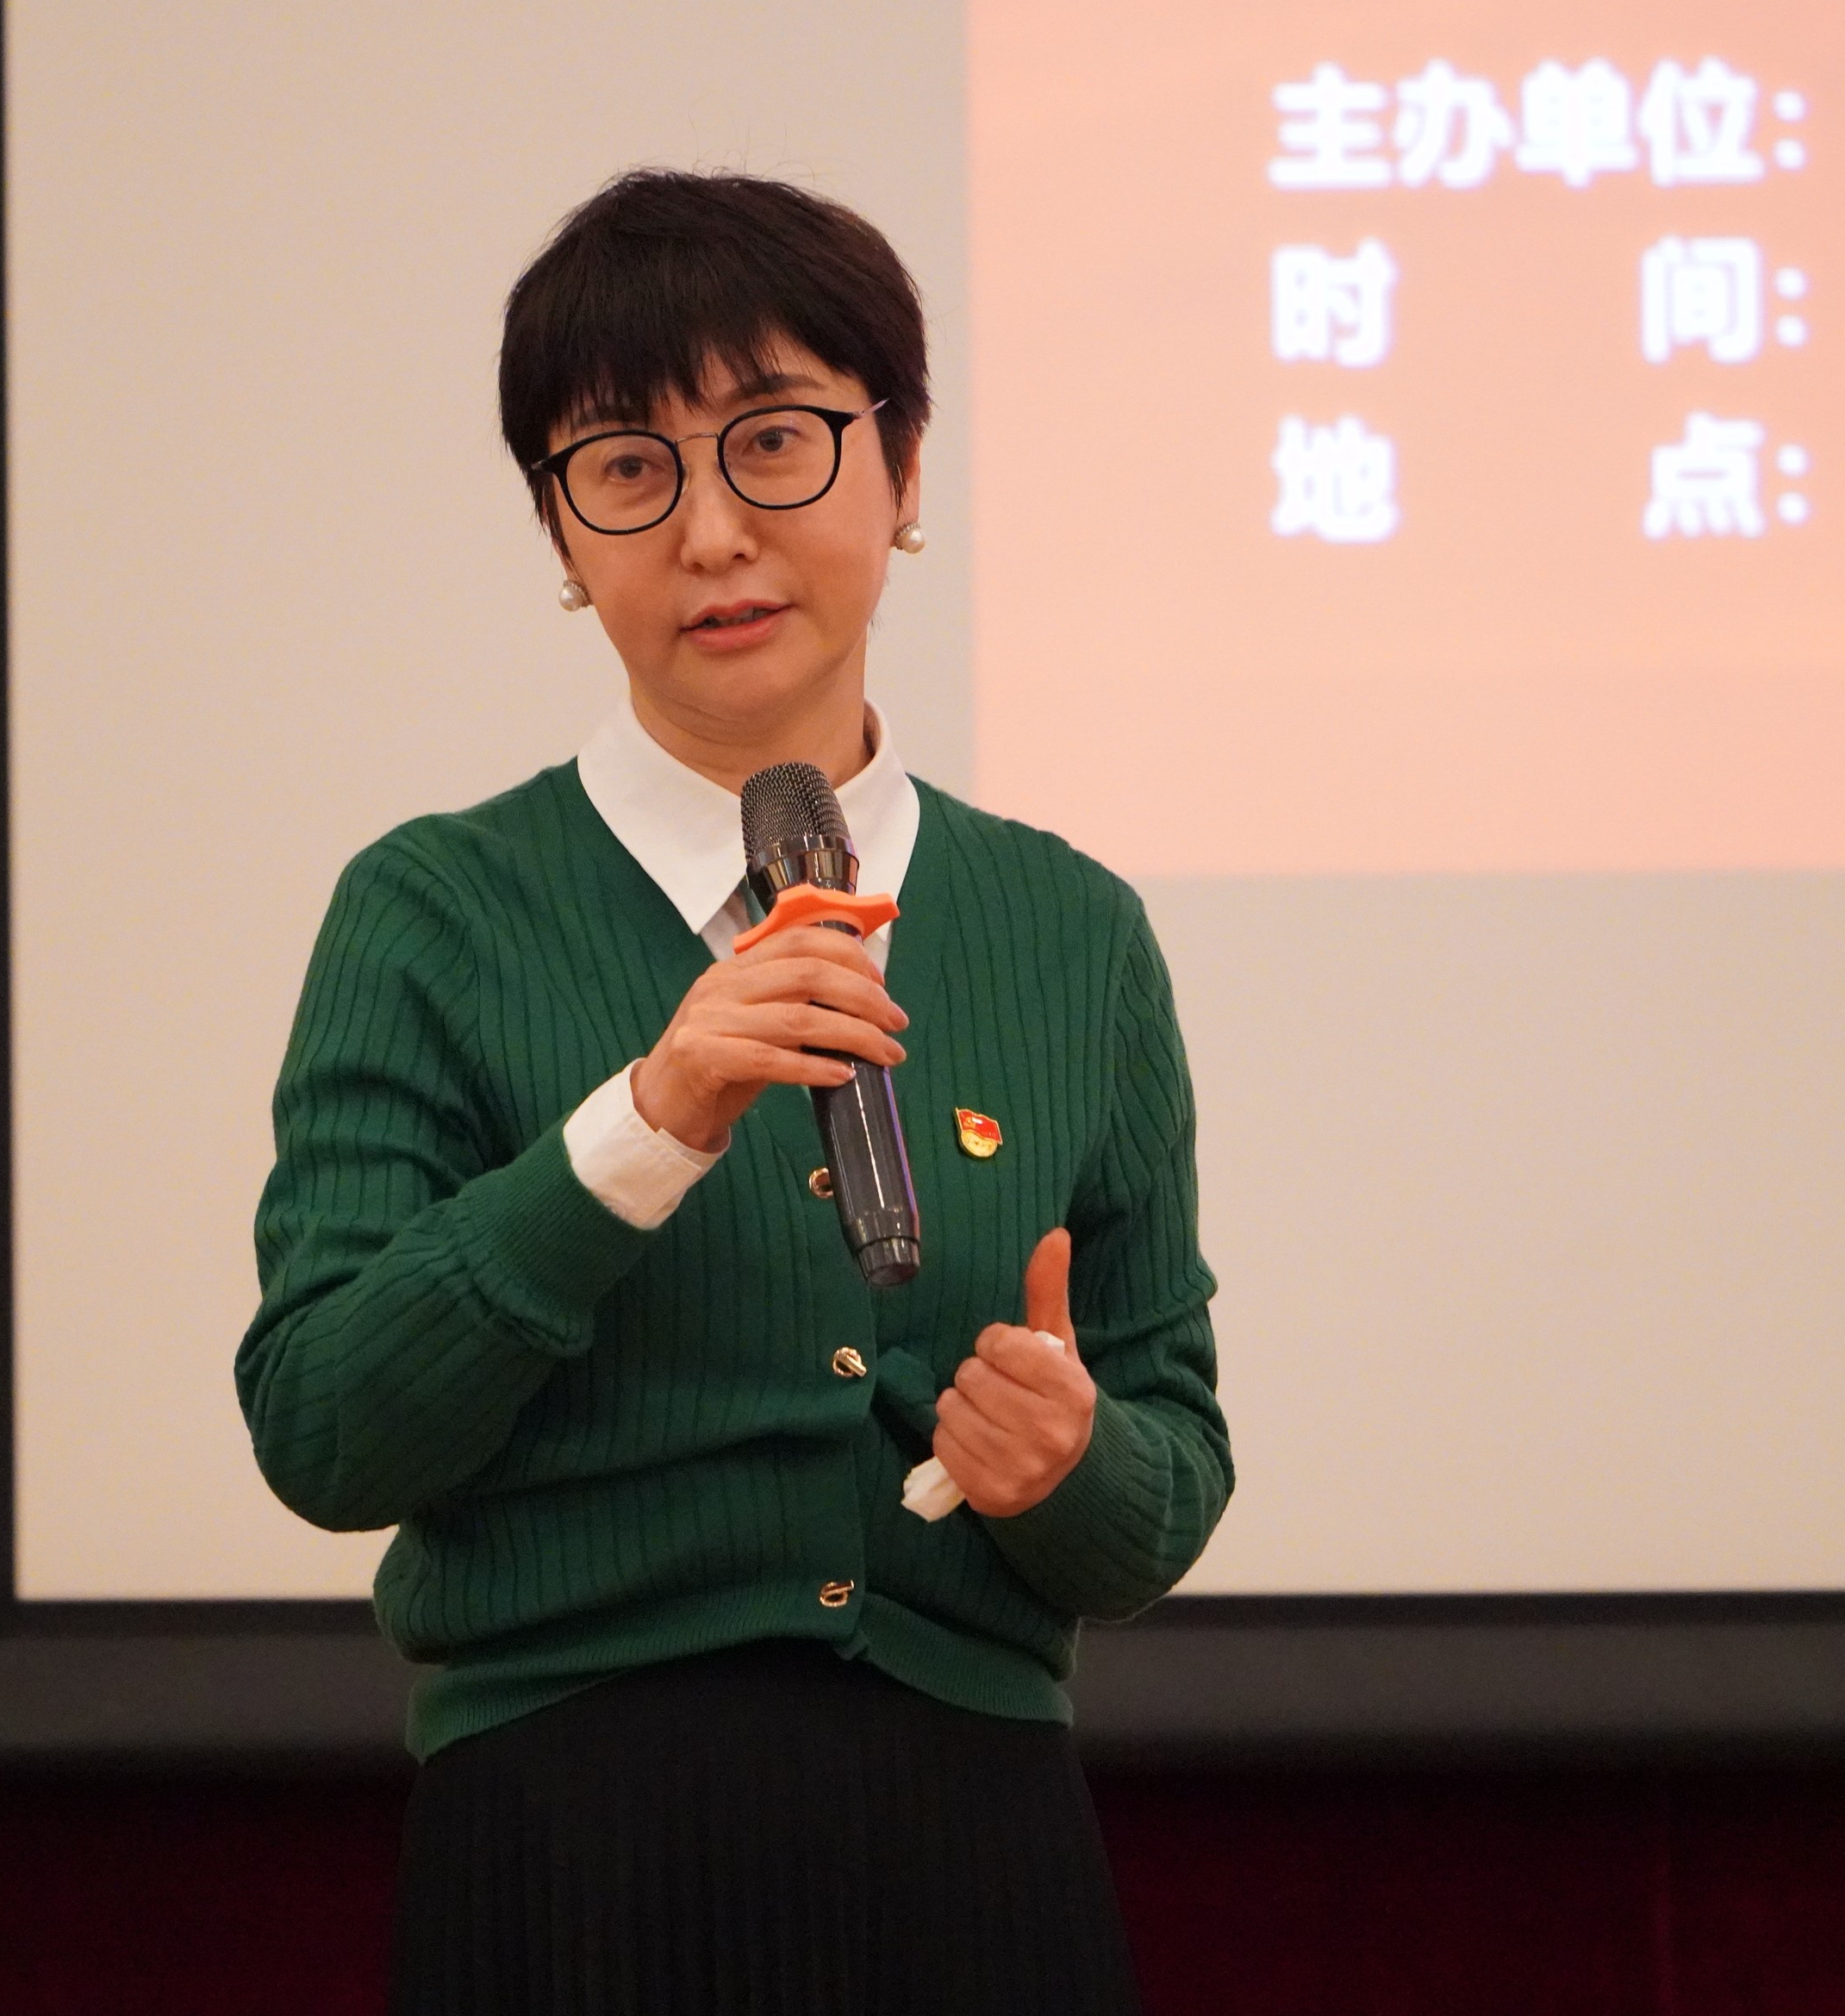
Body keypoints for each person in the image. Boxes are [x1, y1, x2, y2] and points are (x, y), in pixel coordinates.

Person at [238, 170, 1231, 2014]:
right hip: (570, 1850)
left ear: (903, 466)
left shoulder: (1070, 929)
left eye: (775, 441)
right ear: (562, 532)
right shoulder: (433, 911)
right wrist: (647, 1120)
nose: (711, 532)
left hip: (974, 1846)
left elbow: (1167, 1479)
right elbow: (325, 1429)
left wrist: (1072, 1464)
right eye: (627, 468)